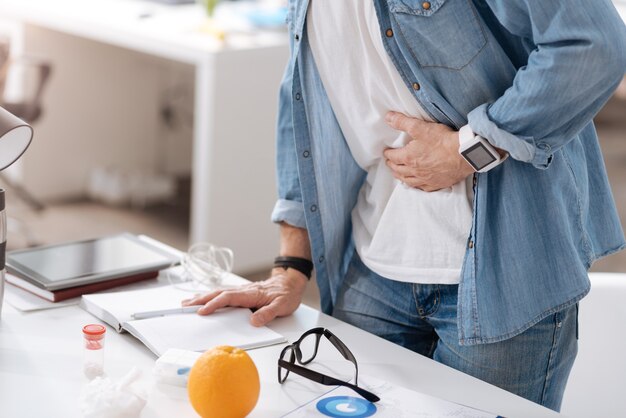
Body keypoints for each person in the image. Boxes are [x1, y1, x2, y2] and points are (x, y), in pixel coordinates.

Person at [183, 0, 626, 411]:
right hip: (373, 269)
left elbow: (592, 45)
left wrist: (469, 149)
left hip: (502, 278)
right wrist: (289, 266)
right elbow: (303, 98)